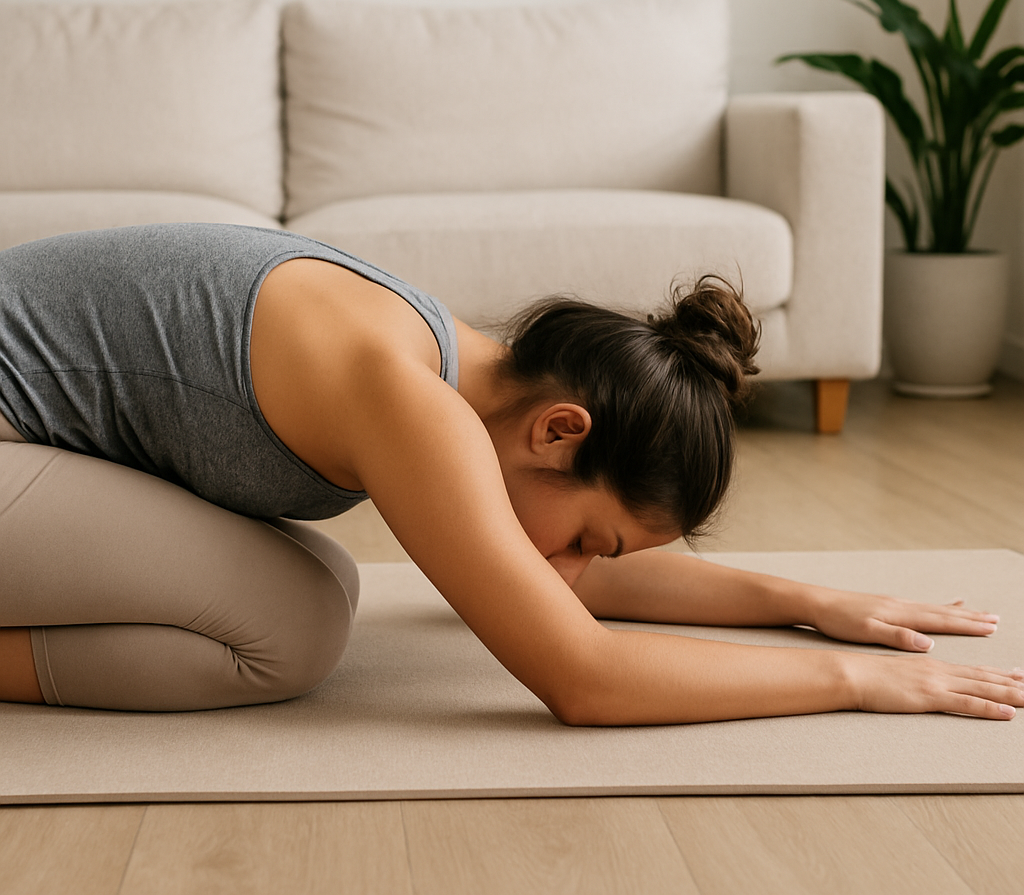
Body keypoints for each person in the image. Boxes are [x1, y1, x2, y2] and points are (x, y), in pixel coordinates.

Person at [0, 222, 1021, 720]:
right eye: (589, 534)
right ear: (559, 430)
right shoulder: (415, 403)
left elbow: (550, 569)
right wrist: (855, 680)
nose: (575, 565)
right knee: (288, 625)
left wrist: (807, 600)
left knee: (321, 589)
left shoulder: (467, 366)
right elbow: (581, 673)